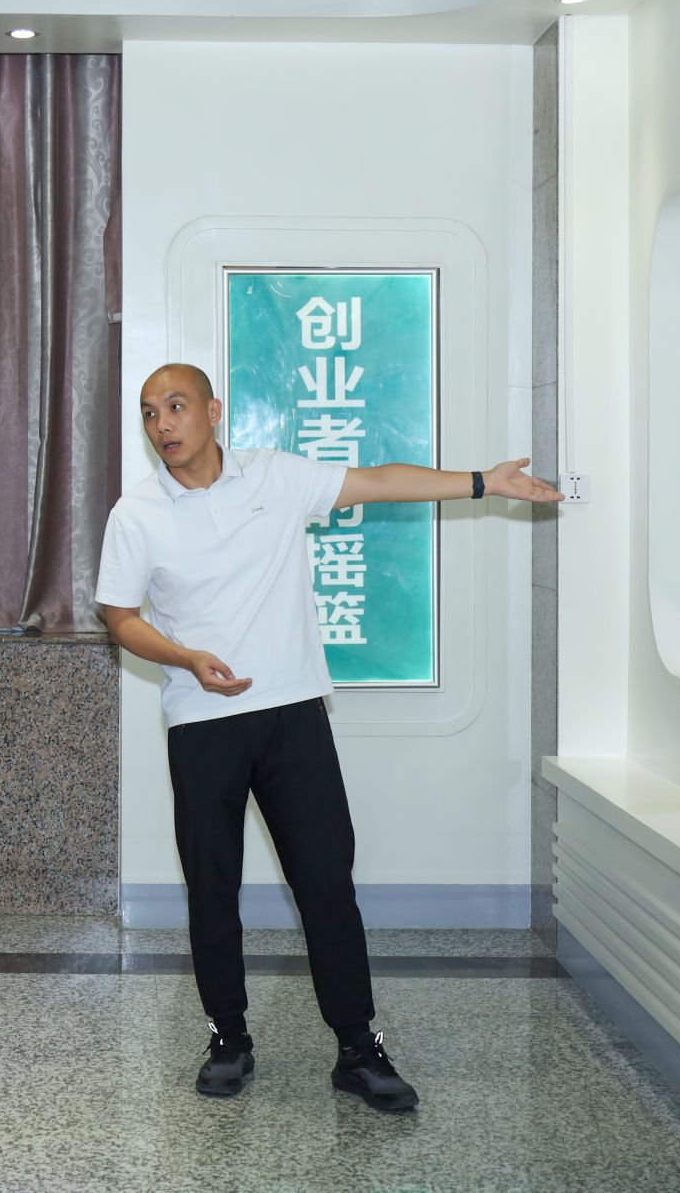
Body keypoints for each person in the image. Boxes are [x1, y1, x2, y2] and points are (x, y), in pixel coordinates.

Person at [95, 364, 561, 1113]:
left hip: (293, 715)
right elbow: (119, 615)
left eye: (177, 407)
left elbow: (379, 481)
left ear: (214, 410)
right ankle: (228, 1038)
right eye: (150, 413)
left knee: (326, 884)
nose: (163, 425)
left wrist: (483, 482)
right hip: (201, 721)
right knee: (212, 889)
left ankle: (357, 1047)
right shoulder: (137, 512)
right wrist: (184, 657)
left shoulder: (274, 477)